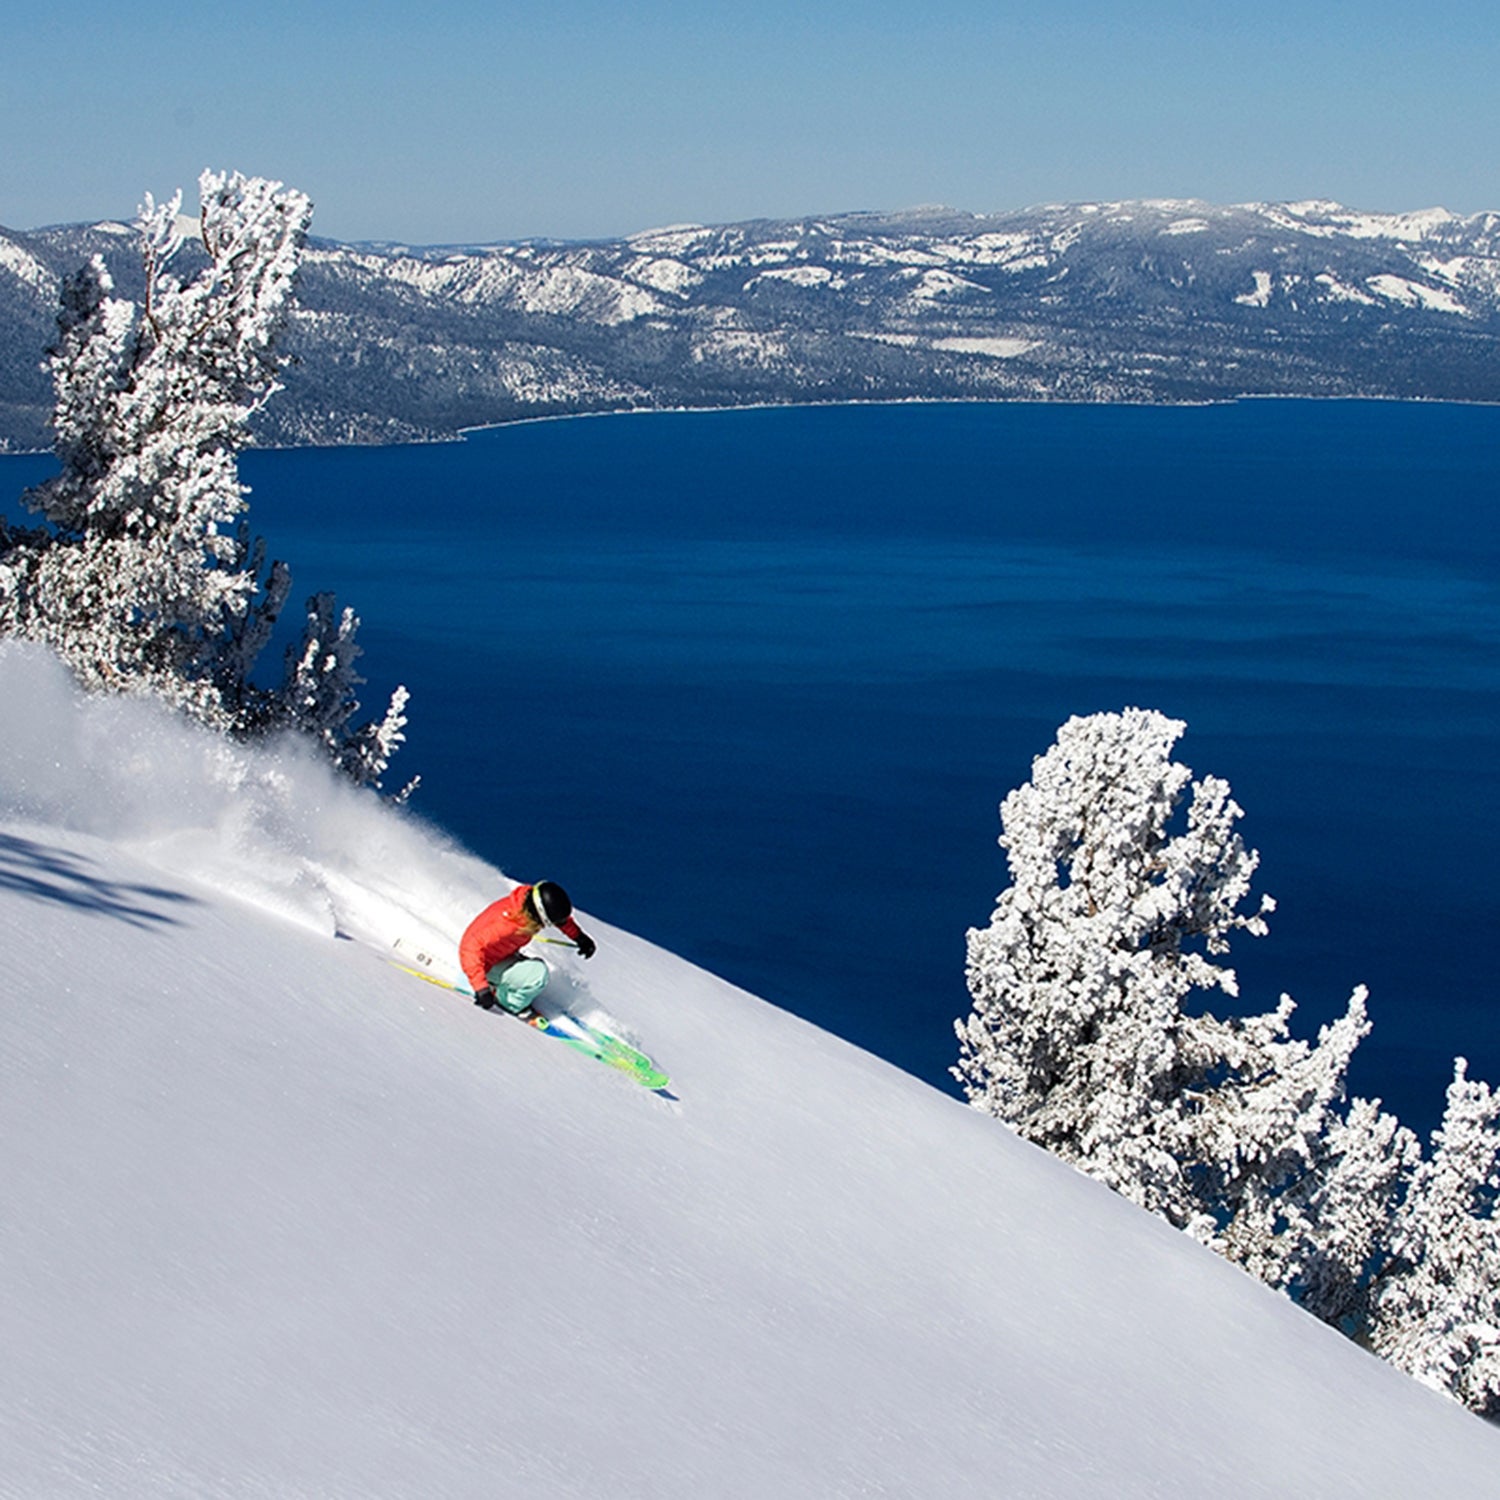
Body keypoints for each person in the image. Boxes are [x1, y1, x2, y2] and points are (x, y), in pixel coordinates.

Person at [459, 880, 597, 1019]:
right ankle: (506, 1001)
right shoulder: (506, 923)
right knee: (537, 975)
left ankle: (498, 982)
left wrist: (579, 937)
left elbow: (559, 919)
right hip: (483, 965)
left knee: (531, 968)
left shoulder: (525, 905)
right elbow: (470, 947)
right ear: (539, 916)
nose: (542, 927)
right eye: (545, 923)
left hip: (498, 957)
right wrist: (481, 988)